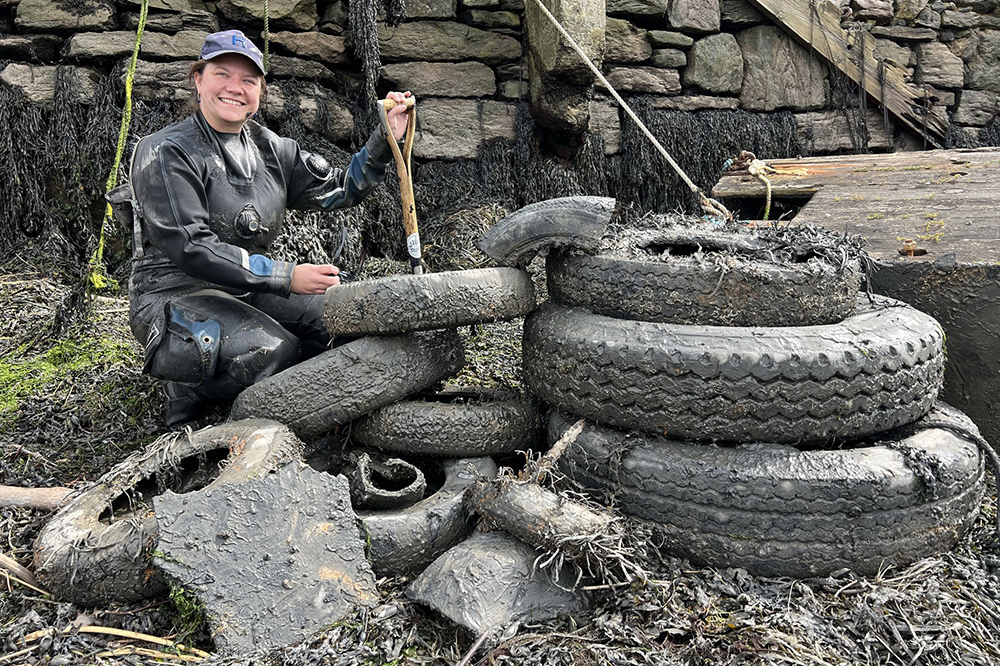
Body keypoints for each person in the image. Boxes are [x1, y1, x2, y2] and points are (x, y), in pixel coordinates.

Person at [126, 29, 412, 427]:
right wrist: (285, 275)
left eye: (248, 80)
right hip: (172, 293)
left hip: (248, 288)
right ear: (198, 79)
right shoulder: (165, 150)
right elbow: (191, 246)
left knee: (347, 322)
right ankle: (189, 388)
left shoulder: (273, 150)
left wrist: (385, 138)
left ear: (261, 90)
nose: (235, 88)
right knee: (274, 352)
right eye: (222, 74)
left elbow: (341, 190)